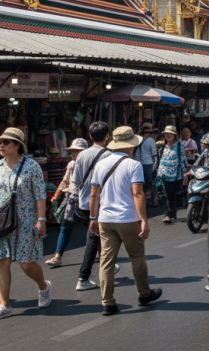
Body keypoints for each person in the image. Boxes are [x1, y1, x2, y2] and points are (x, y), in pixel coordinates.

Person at [0, 128, 50, 321]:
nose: (1, 146)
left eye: (6, 142)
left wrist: (41, 220)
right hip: (1, 220)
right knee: (1, 261)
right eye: (0, 143)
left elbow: (40, 195)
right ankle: (4, 305)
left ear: (17, 145)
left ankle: (43, 286)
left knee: (26, 264)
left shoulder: (32, 167)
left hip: (26, 221)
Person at [89, 126, 162, 315]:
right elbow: (138, 193)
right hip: (127, 218)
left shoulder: (101, 164)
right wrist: (144, 220)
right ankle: (144, 294)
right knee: (137, 257)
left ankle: (108, 303)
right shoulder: (133, 165)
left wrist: (93, 217)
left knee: (106, 261)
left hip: (105, 219)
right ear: (131, 145)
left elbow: (94, 195)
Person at [71, 122, 118, 292]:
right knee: (93, 239)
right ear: (107, 136)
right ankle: (83, 277)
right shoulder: (109, 155)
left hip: (84, 202)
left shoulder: (82, 155)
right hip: (100, 202)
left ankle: (109, 265)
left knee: (96, 237)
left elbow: (75, 180)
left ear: (90, 136)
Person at [45, 138, 87, 268]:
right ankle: (58, 257)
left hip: (87, 200)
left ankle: (103, 255)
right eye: (72, 152)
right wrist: (57, 195)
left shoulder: (91, 164)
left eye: (77, 152)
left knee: (92, 228)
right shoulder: (71, 165)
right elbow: (65, 181)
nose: (73, 154)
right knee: (65, 227)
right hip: (72, 199)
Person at [156, 125, 189, 224]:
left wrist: (185, 174)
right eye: (166, 135)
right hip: (165, 174)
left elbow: (183, 159)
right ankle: (167, 214)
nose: (167, 136)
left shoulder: (179, 145)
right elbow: (159, 159)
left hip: (176, 175)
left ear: (174, 136)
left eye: (170, 135)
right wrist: (158, 172)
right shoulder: (162, 145)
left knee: (175, 195)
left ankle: (172, 212)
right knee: (168, 195)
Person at [136, 123, 158, 199]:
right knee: (149, 183)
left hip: (139, 164)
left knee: (141, 183)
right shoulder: (151, 140)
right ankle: (148, 196)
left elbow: (136, 155)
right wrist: (155, 167)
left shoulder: (138, 140)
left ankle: (143, 197)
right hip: (148, 164)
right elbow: (154, 154)